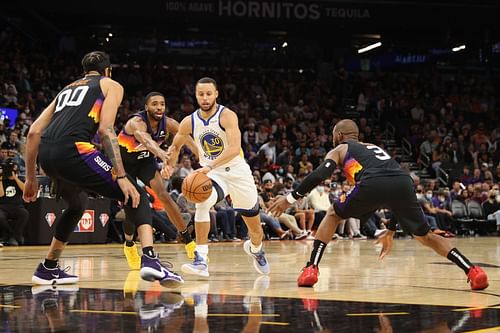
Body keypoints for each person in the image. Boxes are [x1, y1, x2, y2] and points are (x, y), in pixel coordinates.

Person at [268, 119, 489, 290]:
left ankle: (311, 269)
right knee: (426, 237)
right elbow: (392, 191)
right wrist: (391, 230)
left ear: (339, 135)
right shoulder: (373, 148)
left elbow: (319, 174)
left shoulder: (341, 149)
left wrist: (289, 199)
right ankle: (473, 271)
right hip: (403, 181)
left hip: (372, 182)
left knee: (333, 213)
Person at [23, 51, 183, 287]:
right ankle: (150, 260)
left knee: (77, 204)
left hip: (47, 154)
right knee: (134, 193)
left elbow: (33, 132)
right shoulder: (110, 85)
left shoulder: (65, 90)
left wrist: (30, 178)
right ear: (108, 70)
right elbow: (106, 130)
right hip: (75, 149)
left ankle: (48, 267)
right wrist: (120, 175)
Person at [166, 77, 269, 277]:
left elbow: (234, 148)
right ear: (195, 96)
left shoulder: (227, 116)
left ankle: (256, 249)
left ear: (216, 94)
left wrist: (209, 165)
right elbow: (175, 145)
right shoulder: (189, 121)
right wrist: (168, 163)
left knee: (256, 231)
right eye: (200, 94)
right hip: (213, 174)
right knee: (202, 202)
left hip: (237, 171)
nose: (204, 98)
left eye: (208, 94)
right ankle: (201, 259)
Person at [117, 91, 197, 270]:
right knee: (132, 206)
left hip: (144, 161)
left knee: (165, 196)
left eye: (161, 103)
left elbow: (188, 139)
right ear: (146, 107)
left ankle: (188, 241)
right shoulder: (135, 123)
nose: (159, 107)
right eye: (154, 104)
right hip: (123, 165)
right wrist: (162, 155)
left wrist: (202, 157)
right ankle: (129, 244)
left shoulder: (169, 123)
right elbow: (145, 140)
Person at [0, 158, 28, 246]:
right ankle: (11, 235)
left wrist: (15, 178)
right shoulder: (2, 180)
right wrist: (0, 179)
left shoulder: (20, 180)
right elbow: (1, 194)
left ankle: (16, 236)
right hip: (3, 207)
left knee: (24, 213)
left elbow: (25, 190)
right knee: (0, 216)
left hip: (17, 207)